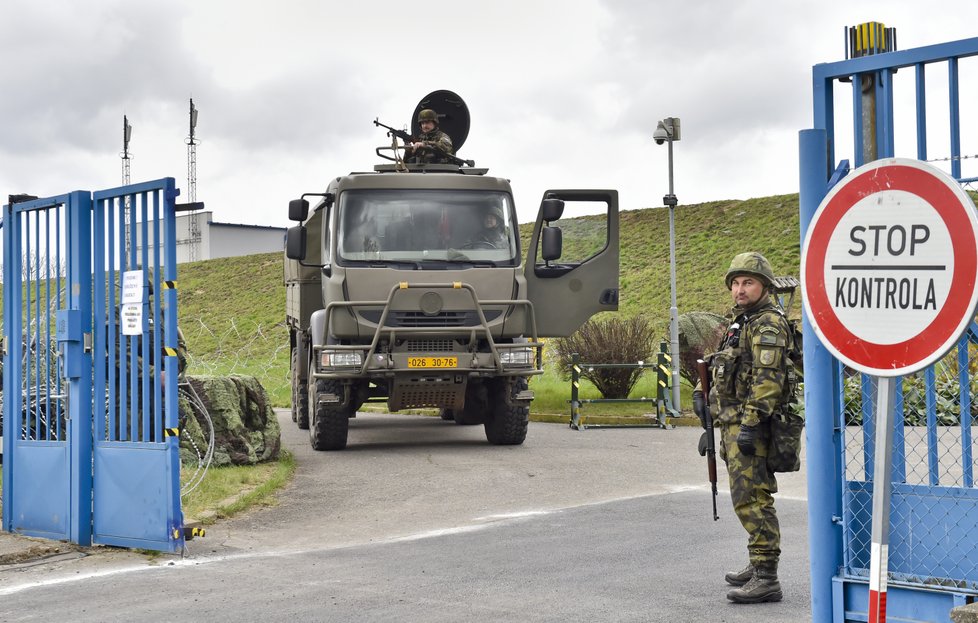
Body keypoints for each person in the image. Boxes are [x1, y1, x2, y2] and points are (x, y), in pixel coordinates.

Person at [693, 251, 792, 604]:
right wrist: (702, 398)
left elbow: (769, 380)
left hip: (753, 425)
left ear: (764, 285)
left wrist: (751, 425)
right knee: (746, 497)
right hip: (732, 422)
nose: (739, 289)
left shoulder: (767, 324)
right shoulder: (740, 323)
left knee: (752, 499)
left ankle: (767, 578)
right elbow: (722, 368)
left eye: (747, 282)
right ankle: (757, 562)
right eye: (735, 283)